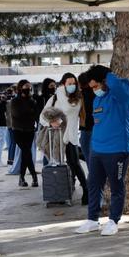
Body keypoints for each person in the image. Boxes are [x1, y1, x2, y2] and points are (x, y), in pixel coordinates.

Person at [74, 65, 129, 237]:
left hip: (118, 149)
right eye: (92, 88)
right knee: (93, 184)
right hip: (97, 149)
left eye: (96, 86)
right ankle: (93, 220)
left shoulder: (123, 91)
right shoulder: (98, 99)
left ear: (104, 80)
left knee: (116, 187)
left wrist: (106, 74)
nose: (94, 90)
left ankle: (113, 221)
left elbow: (115, 85)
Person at [40, 72, 88, 205]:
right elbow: (42, 116)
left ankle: (85, 190)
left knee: (74, 164)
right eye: (69, 83)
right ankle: (61, 192)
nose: (72, 86)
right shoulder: (55, 98)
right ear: (63, 84)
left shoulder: (78, 97)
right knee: (58, 164)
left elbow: (76, 113)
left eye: (74, 83)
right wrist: (51, 122)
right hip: (57, 137)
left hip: (71, 136)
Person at [8, 79, 40, 188]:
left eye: (29, 87)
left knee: (26, 153)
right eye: (26, 87)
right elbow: (17, 114)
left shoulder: (32, 101)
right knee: (27, 152)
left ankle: (22, 178)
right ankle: (34, 177)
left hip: (30, 130)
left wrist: (28, 113)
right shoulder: (15, 101)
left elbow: (36, 115)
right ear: (20, 88)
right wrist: (29, 113)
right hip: (18, 131)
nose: (28, 89)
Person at [77, 72, 95, 167]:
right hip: (93, 128)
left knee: (88, 156)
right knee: (91, 156)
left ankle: (93, 177)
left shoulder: (80, 95)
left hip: (86, 128)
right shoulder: (95, 93)